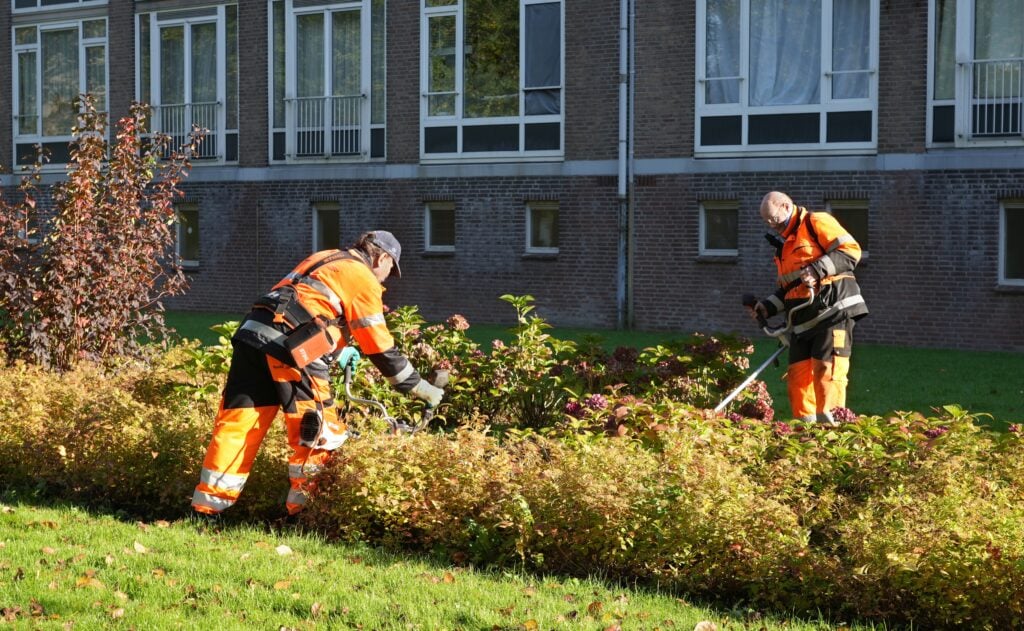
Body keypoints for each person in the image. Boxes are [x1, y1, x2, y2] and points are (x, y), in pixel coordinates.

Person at [192, 230, 444, 518]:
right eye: (390, 269)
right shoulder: (362, 278)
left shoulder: (324, 258)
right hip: (292, 348)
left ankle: (205, 511)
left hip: (253, 335)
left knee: (238, 423)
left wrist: (337, 350)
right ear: (382, 257)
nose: (387, 277)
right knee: (315, 430)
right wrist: (420, 387)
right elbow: (380, 347)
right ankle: (303, 514)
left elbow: (305, 305)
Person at [746, 192, 868, 424]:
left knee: (827, 375)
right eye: (767, 222)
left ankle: (832, 436)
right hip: (803, 324)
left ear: (785, 205)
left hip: (832, 313)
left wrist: (817, 269)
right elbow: (792, 288)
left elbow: (851, 250)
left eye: (773, 218)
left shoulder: (815, 222)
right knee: (798, 382)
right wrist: (767, 308)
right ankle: (804, 440)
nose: (771, 225)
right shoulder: (784, 247)